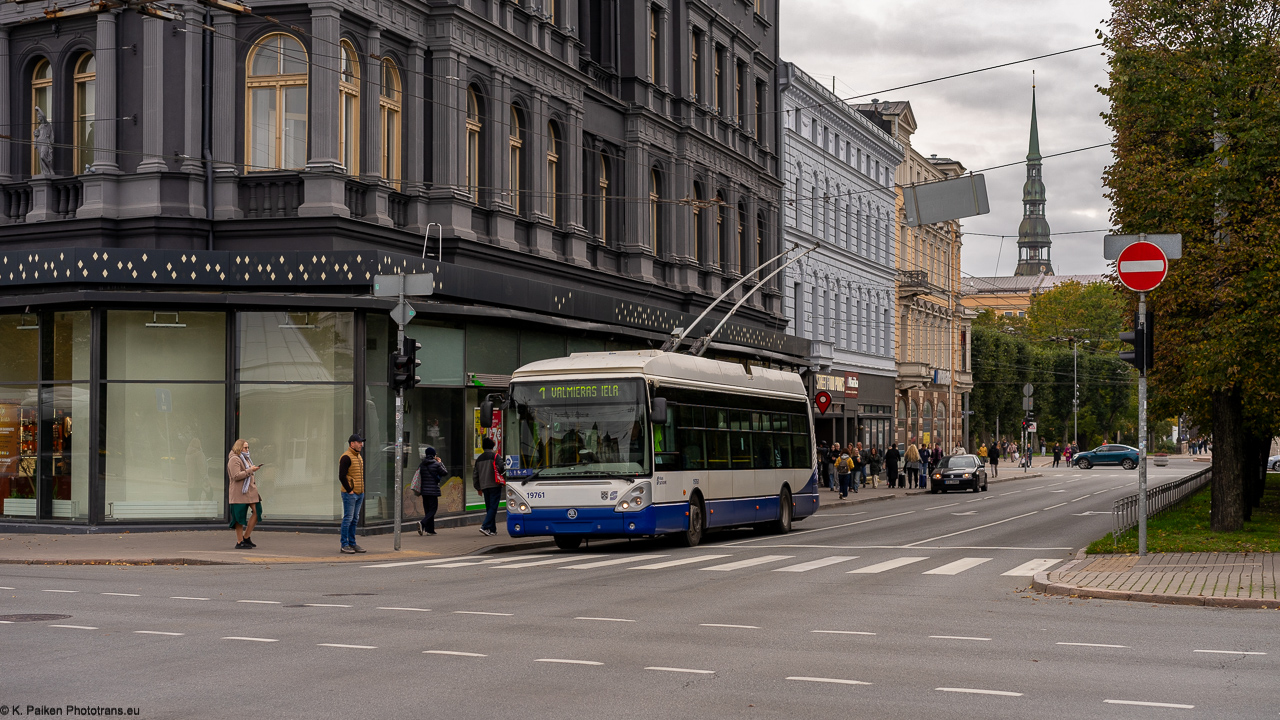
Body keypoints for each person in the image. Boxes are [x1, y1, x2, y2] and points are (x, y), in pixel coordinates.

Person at [226, 438, 263, 550]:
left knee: (258, 512)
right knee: (239, 517)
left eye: (248, 447)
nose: (247, 449)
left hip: (250, 491)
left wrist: (252, 469)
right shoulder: (234, 459)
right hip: (239, 493)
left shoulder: (246, 458)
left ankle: (246, 537)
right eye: (245, 447)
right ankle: (239, 541)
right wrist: (250, 470)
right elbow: (236, 476)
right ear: (239, 448)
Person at [338, 433, 367, 554]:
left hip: (359, 493)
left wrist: (361, 491)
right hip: (350, 493)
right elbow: (342, 476)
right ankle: (344, 544)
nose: (361, 444)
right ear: (352, 444)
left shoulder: (359, 457)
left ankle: (352, 543)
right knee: (348, 518)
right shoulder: (346, 457)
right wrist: (350, 490)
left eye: (361, 442)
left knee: (355, 519)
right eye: (359, 442)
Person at [416, 446, 447, 536]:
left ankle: (430, 530)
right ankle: (422, 523)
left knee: (427, 510)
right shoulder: (436, 464)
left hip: (424, 491)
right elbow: (445, 472)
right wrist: (440, 463)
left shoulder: (422, 464)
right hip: (433, 491)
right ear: (433, 455)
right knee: (433, 509)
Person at [474, 436, 502, 536]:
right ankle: (484, 526)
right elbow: (502, 469)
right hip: (494, 484)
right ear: (492, 446)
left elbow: (475, 475)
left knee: (489, 507)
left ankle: (492, 529)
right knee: (493, 507)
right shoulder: (495, 456)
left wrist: (478, 487)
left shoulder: (479, 459)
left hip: (484, 486)